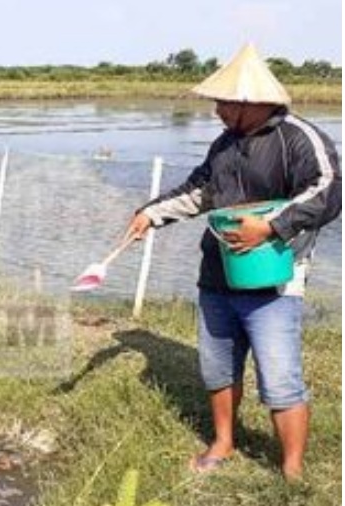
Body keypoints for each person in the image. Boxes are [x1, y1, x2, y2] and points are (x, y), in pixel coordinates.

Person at [124, 43, 341, 480]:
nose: (218, 111)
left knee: (280, 378)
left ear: (251, 103)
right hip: (218, 276)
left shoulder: (299, 138)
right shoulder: (224, 145)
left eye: (224, 103)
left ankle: (292, 471)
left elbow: (329, 190)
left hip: (274, 281)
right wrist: (150, 213)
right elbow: (199, 192)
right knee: (218, 368)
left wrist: (271, 226)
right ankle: (223, 442)